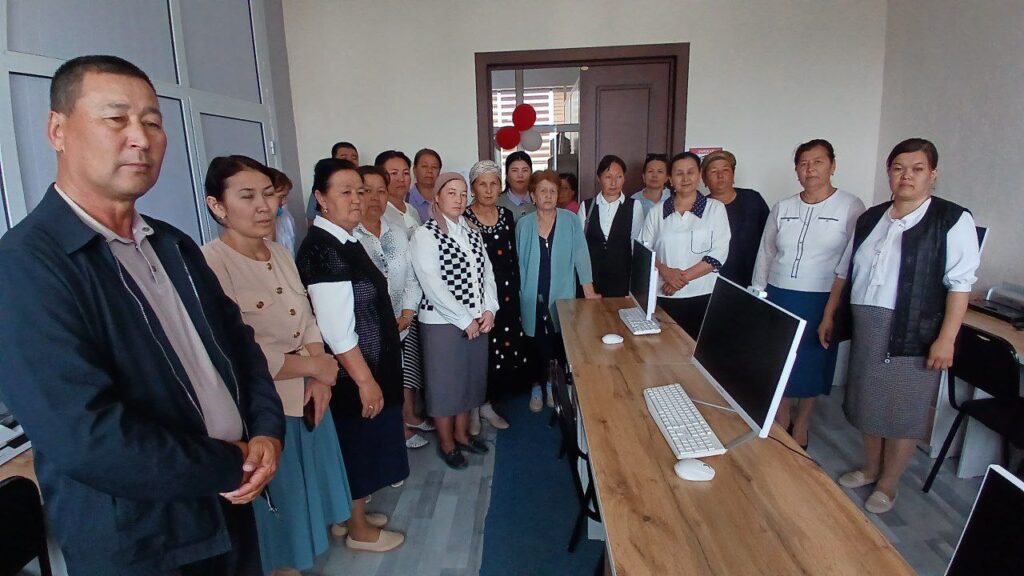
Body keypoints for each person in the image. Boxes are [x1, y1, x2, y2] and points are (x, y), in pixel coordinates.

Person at [0, 55, 284, 575]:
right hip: (142, 539)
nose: (141, 138)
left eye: (152, 122)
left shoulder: (172, 243)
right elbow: (85, 436)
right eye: (116, 119)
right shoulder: (26, 264)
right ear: (57, 130)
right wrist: (231, 461)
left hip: (229, 503)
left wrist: (267, 431)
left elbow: (239, 345)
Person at [202, 155, 353, 576]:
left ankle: (301, 557)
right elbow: (236, 352)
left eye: (268, 194)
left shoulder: (279, 253)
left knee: (310, 488)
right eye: (247, 196)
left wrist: (320, 374)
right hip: (265, 407)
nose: (263, 206)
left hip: (307, 395)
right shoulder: (210, 264)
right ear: (217, 205)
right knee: (279, 497)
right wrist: (314, 369)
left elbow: (306, 316)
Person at [820, 138, 980, 515]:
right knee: (867, 402)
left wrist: (946, 339)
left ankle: (888, 483)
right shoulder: (871, 218)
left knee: (904, 412)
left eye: (917, 169)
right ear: (889, 173)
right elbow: (844, 272)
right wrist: (830, 315)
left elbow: (960, 285)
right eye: (898, 168)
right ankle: (870, 467)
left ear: (932, 174)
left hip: (914, 332)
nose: (906, 176)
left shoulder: (952, 219)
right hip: (868, 326)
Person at [297, 158, 408, 552]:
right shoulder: (323, 250)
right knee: (357, 447)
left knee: (363, 444)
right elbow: (337, 330)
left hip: (370, 364)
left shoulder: (344, 240)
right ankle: (358, 530)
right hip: (353, 374)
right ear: (321, 198)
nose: (357, 199)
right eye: (345, 192)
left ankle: (350, 514)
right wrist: (365, 380)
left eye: (359, 191)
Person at [751, 140, 865, 450]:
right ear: (796, 170)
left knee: (813, 361)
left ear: (832, 165)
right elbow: (766, 252)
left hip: (821, 297)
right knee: (779, 359)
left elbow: (850, 259)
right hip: (779, 292)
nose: (810, 169)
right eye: (803, 163)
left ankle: (802, 422)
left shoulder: (851, 206)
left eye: (817, 162)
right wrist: (758, 294)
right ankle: (782, 415)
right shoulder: (783, 207)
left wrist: (834, 309)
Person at [410, 173, 498, 469]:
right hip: (442, 324)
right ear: (437, 197)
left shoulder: (472, 231)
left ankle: (462, 435)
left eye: (462, 194)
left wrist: (489, 310)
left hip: (477, 319)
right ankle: (447, 443)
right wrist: (464, 319)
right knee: (445, 385)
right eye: (451, 193)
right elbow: (432, 284)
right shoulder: (425, 234)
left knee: (469, 381)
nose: (459, 199)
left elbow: (487, 274)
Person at [352, 165, 433, 450]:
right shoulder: (349, 238)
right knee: (371, 383)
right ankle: (386, 436)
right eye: (366, 191)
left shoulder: (397, 233)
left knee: (398, 377)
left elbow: (411, 277)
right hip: (364, 329)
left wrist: (407, 313)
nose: (374, 198)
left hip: (400, 322)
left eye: (381, 191)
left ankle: (401, 424)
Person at [518, 170, 599, 412]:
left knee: (558, 342)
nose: (548, 195)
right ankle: (536, 386)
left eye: (553, 191)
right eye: (542, 191)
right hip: (531, 294)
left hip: (561, 294)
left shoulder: (570, 220)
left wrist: (588, 290)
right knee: (534, 342)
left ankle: (553, 384)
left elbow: (581, 256)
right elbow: (518, 263)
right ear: (533, 196)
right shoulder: (523, 224)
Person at [464, 160, 530, 432]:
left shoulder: (506, 215)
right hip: (477, 295)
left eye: (494, 184)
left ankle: (489, 405)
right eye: (483, 184)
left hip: (507, 292)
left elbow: (514, 255)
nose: (489, 190)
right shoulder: (464, 218)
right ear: (473, 188)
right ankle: (473, 408)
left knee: (502, 348)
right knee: (479, 351)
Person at [641, 152, 731, 338]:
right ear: (670, 179)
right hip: (664, 295)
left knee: (698, 349)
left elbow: (719, 253)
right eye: (679, 173)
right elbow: (644, 250)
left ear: (699, 175)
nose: (685, 178)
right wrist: (666, 272)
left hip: (703, 294)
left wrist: (680, 279)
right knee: (664, 348)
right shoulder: (657, 212)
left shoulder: (715, 209)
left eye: (690, 172)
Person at [701, 150, 770, 288]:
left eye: (725, 170)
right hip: (712, 281)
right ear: (704, 180)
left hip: (753, 279)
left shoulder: (752, 199)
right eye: (713, 171)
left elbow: (769, 239)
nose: (720, 175)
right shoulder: (700, 207)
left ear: (733, 175)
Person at [579, 155, 645, 298]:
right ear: (599, 178)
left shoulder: (634, 206)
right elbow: (579, 247)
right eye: (608, 177)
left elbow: (636, 247)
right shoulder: (587, 206)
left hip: (621, 279)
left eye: (619, 176)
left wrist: (635, 286)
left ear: (624, 178)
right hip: (591, 280)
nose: (614, 182)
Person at [306, 141, 358, 225]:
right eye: (344, 158)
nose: (350, 161)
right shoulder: (322, 187)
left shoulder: (365, 184)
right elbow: (312, 221)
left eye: (354, 158)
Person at [376, 149, 422, 235]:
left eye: (406, 173)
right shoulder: (379, 212)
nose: (401, 179)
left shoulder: (412, 210)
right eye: (394, 173)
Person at [496, 151, 537, 221]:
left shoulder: (540, 200)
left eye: (525, 170)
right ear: (507, 175)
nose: (520, 175)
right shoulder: (497, 202)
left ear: (531, 173)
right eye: (514, 170)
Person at [630, 153, 671, 218]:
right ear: (643, 176)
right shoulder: (634, 200)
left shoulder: (674, 198)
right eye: (650, 171)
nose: (654, 175)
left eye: (660, 171)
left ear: (667, 177)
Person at [407, 148, 442, 222]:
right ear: (414, 170)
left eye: (434, 167)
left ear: (439, 172)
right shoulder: (406, 199)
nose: (429, 171)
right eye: (424, 166)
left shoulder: (446, 198)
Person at [268, 167, 297, 255]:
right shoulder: (255, 226)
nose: (284, 202)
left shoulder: (286, 217)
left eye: (285, 196)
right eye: (281, 197)